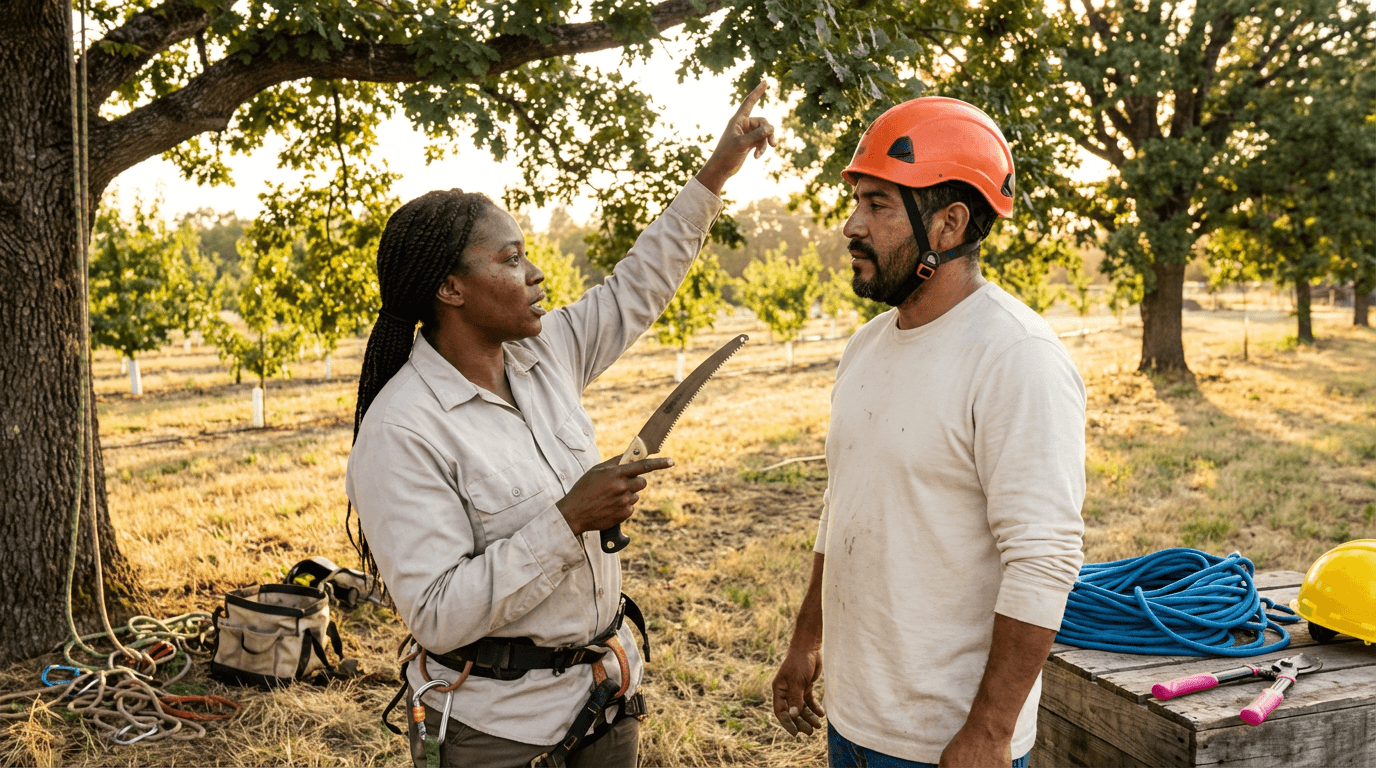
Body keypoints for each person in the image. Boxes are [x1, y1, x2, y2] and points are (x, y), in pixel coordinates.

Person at [345, 84, 775, 768]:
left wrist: (717, 173)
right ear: (449, 289)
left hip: (604, 697)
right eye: (510, 259)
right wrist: (567, 518)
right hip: (499, 733)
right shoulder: (401, 431)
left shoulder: (544, 353)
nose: (537, 272)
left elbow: (638, 285)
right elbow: (437, 614)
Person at [770, 97, 1087, 768]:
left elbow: (1045, 559)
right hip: (854, 720)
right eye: (856, 200)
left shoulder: (1015, 355)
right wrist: (806, 637)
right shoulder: (865, 346)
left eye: (879, 205)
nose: (851, 225)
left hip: (947, 743)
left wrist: (991, 733)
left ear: (948, 225)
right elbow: (847, 502)